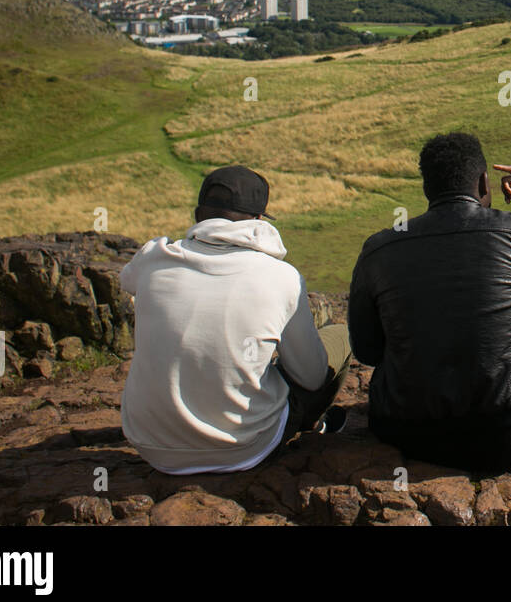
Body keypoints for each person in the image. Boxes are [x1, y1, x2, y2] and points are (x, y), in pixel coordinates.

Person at [349, 132, 511, 470]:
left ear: (428, 188)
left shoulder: (379, 248)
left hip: (407, 432)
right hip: (510, 431)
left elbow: (368, 351)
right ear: (484, 182)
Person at [120, 166, 350, 475]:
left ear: (199, 214)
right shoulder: (281, 277)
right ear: (258, 220)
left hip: (149, 445)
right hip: (245, 448)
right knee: (340, 336)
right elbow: (310, 377)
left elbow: (128, 281)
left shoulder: (152, 257)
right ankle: (313, 424)